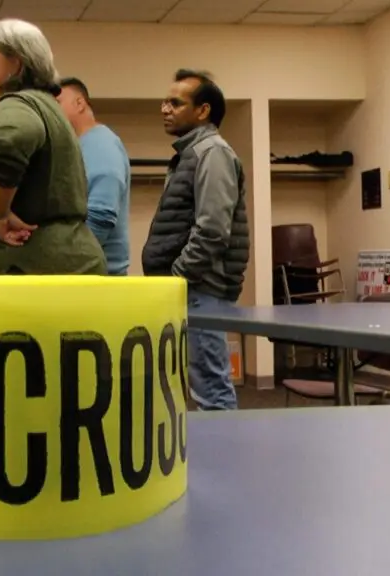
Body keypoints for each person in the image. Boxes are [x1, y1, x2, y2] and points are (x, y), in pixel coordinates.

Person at [0, 19, 106, 275]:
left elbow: (11, 139)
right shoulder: (45, 105)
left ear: (16, 63)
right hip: (60, 266)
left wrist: (0, 213)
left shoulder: (17, 103)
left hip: (31, 271)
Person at [142, 69, 249, 411]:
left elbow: (212, 231)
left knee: (212, 392)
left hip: (200, 290)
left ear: (203, 111)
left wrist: (177, 277)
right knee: (201, 386)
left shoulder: (211, 153)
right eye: (165, 102)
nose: (165, 109)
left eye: (175, 103)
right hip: (190, 290)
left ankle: (224, 450)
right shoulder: (191, 153)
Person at [56, 77, 131, 275]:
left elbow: (101, 217)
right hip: (85, 275)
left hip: (98, 278)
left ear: (79, 103)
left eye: (57, 103)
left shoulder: (101, 144)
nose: (51, 112)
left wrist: (65, 263)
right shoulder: (78, 147)